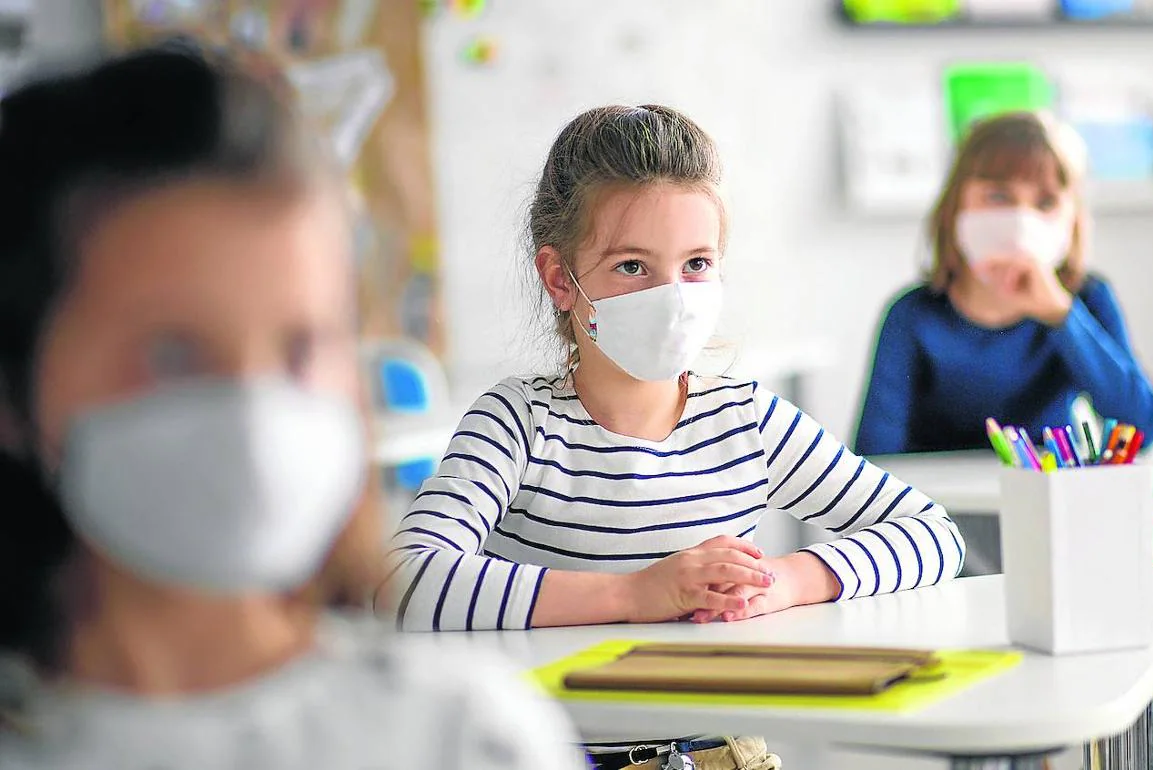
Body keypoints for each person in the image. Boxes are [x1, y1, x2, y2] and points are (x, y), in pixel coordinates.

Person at [0, 44, 582, 770]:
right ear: (17, 383)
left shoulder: (463, 739)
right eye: (173, 354)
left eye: (303, 347)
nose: (253, 410)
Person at [380, 104, 966, 770]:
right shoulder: (517, 424)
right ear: (558, 278)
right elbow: (405, 581)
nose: (672, 294)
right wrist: (634, 595)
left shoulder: (745, 420)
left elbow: (933, 533)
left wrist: (782, 581)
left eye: (695, 264)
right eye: (632, 266)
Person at [853, 111, 1153, 770]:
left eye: (1044, 201)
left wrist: (1061, 314)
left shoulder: (1087, 301)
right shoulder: (913, 317)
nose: (1020, 216)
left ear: (1070, 222)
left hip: (1067, 537)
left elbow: (1141, 421)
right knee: (1006, 715)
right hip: (954, 547)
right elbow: (874, 457)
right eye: (998, 196)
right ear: (956, 209)